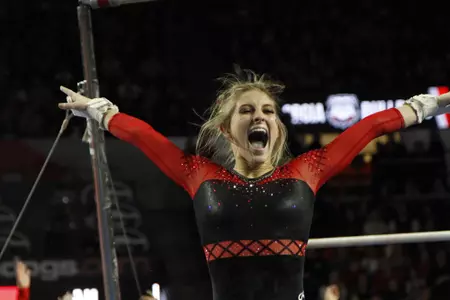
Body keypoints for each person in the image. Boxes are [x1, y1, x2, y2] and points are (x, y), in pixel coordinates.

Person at [58, 71, 450, 300]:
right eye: (246, 110)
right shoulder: (200, 175)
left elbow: (370, 127)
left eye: (266, 111)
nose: (258, 116)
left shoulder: (307, 170)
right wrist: (98, 110)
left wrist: (438, 101)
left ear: (276, 127)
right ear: (228, 130)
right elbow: (145, 137)